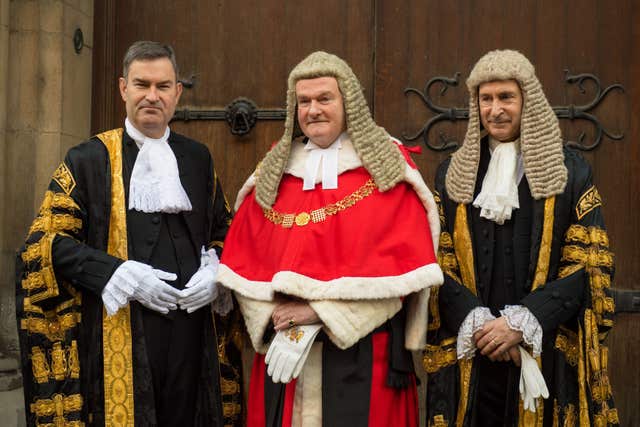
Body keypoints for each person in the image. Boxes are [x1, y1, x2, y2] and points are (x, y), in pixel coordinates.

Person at [15, 41, 243, 427]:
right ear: (123, 88)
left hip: (193, 334)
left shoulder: (198, 158)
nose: (152, 96)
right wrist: (117, 274)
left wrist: (217, 271)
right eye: (142, 85)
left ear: (177, 92)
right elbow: (45, 244)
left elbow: (226, 230)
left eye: (163, 86)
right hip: (117, 332)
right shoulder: (87, 160)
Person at [216, 51, 443, 427]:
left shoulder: (387, 168)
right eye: (304, 101)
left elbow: (404, 275)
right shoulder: (274, 172)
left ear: (348, 102)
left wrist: (320, 313)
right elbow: (244, 266)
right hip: (284, 354)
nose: (313, 110)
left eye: (324, 98)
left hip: (363, 353)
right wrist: (273, 316)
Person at [424, 49, 619, 426]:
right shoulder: (451, 173)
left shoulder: (571, 171)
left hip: (543, 351)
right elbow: (433, 261)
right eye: (486, 99)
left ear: (527, 100)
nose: (495, 109)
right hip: (473, 353)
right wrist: (478, 324)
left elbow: (589, 265)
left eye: (506, 97)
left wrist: (523, 323)